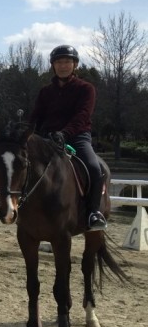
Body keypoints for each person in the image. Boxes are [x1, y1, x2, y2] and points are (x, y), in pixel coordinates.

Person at [29, 44, 106, 230]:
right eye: (59, 62)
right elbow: (36, 116)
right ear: (53, 65)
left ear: (75, 65)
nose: (63, 65)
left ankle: (93, 212)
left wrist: (65, 133)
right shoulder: (45, 92)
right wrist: (27, 132)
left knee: (95, 168)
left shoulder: (86, 89)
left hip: (77, 137)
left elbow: (83, 115)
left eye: (67, 62)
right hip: (48, 139)